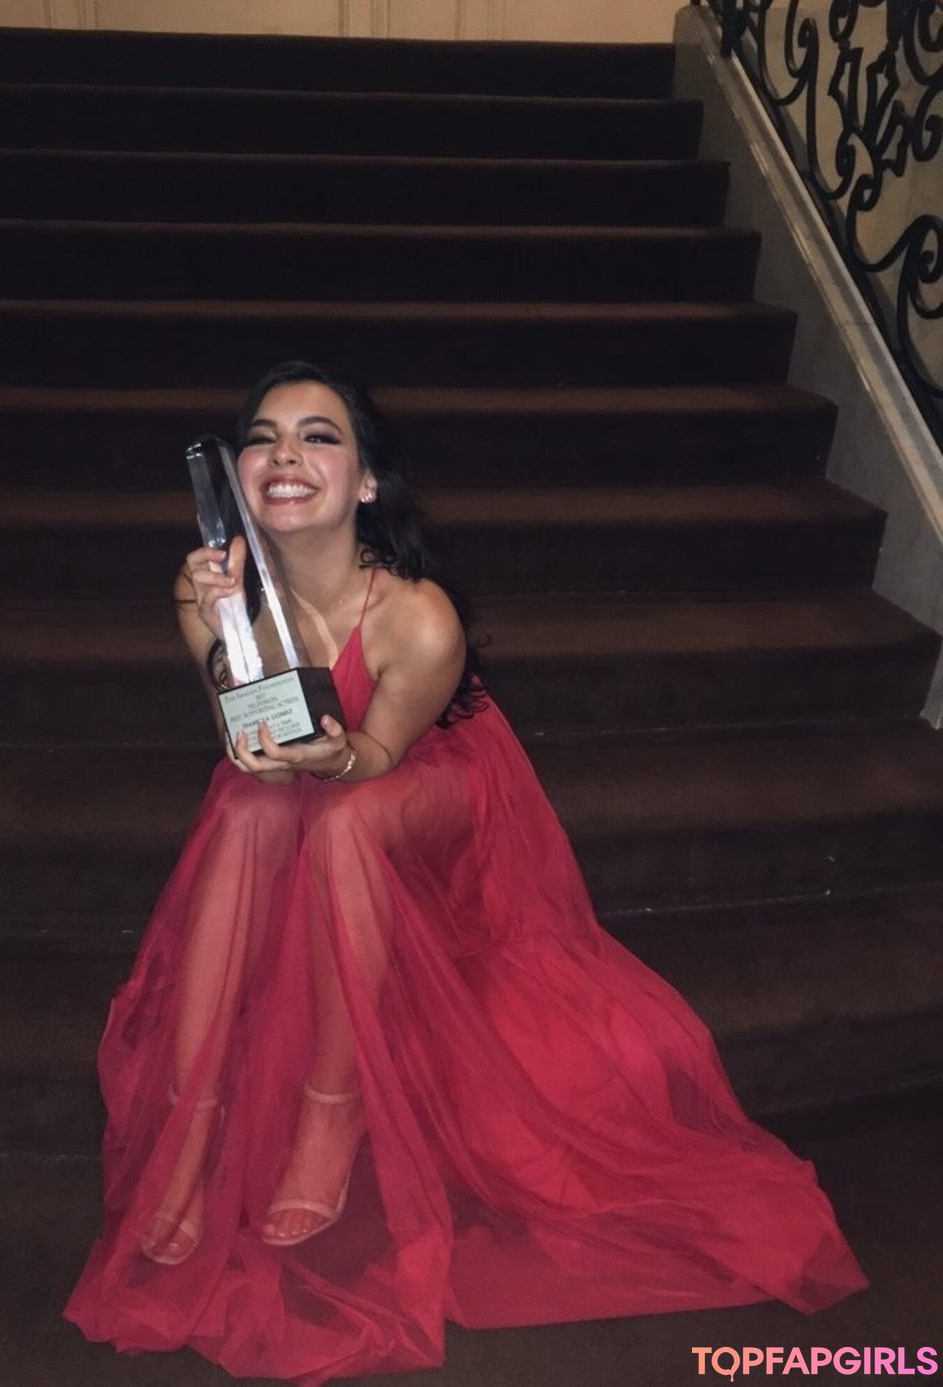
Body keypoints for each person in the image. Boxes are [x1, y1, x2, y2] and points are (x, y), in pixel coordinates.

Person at [65, 360, 867, 1383]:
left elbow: (374, 754)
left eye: (319, 436)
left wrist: (332, 760)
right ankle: (191, 1128)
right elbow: (250, 731)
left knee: (344, 823)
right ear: (235, 475)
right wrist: (230, 629)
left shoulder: (419, 615)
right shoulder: (204, 585)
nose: (285, 455)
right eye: (263, 437)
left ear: (365, 481)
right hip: (300, 773)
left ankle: (329, 1107)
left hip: (424, 781)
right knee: (248, 807)